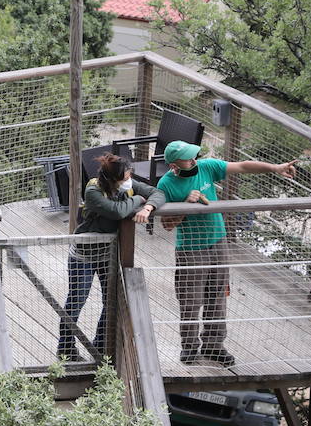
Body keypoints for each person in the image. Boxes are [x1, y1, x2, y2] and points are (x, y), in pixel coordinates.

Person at [157, 140, 296, 367]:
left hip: (218, 241)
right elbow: (167, 225)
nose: (193, 160)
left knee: (218, 296)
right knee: (190, 301)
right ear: (174, 164)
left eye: (193, 156)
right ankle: (189, 347)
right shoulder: (166, 184)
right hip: (191, 249)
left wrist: (274, 168)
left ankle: (214, 346)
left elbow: (242, 166)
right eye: (187, 159)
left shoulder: (207, 167)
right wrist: (185, 204)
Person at [59, 152, 166, 363]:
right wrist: (137, 198)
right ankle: (65, 348)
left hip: (108, 254)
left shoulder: (127, 183)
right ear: (113, 180)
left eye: (129, 177)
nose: (130, 181)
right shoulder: (93, 191)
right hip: (85, 255)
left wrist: (148, 207)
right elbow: (117, 211)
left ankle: (100, 346)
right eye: (126, 178)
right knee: (77, 299)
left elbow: (158, 192)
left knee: (111, 302)